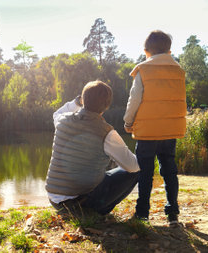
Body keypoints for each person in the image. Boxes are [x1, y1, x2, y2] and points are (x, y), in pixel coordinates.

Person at [46, 80, 140, 216]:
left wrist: (77, 102)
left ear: (83, 100)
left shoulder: (62, 120)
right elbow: (133, 166)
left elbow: (57, 113)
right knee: (137, 170)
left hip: (55, 201)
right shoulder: (107, 132)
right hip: (82, 204)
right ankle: (98, 212)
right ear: (107, 106)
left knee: (104, 174)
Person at [123, 30, 186, 226]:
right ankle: (173, 213)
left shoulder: (143, 70)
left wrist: (128, 121)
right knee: (169, 171)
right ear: (168, 51)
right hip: (169, 130)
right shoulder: (178, 70)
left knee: (145, 173)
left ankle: (142, 213)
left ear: (146, 52)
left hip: (147, 132)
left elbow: (135, 99)